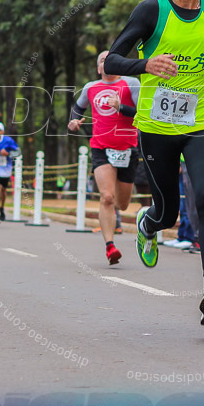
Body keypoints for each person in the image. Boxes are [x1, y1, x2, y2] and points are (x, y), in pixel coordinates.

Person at [103, 0, 204, 325]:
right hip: (157, 125)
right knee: (169, 212)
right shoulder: (150, 11)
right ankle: (149, 222)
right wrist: (146, 66)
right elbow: (111, 58)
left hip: (201, 121)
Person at [69, 50, 141, 263]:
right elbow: (77, 108)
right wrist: (74, 121)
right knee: (106, 197)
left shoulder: (131, 83)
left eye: (111, 59)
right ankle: (110, 246)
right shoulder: (91, 88)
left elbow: (141, 112)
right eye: (103, 60)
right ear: (98, 68)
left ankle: (122, 222)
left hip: (128, 147)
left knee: (123, 203)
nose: (107, 63)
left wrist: (121, 107)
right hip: (101, 147)